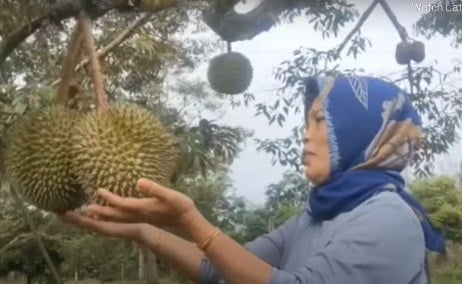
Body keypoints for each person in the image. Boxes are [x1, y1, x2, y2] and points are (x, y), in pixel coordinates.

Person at [61, 75, 446, 284]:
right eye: (305, 122)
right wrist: (144, 231)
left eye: (320, 122)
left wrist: (191, 220)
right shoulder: (315, 215)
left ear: (363, 131)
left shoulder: (389, 219)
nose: (305, 134)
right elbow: (222, 269)